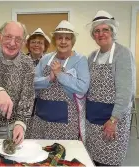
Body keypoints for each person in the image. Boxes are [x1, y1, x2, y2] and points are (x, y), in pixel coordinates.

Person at [85, 10, 136, 166]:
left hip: (113, 120)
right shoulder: (92, 56)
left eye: (105, 29)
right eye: (97, 31)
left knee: (109, 161)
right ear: (93, 35)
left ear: (112, 32)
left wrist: (113, 120)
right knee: (91, 159)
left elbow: (126, 92)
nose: (101, 34)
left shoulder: (123, 54)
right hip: (92, 121)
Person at [28, 20, 90, 140]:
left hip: (66, 121)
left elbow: (83, 87)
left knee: (63, 154)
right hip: (41, 118)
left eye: (67, 38)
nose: (63, 41)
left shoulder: (80, 60)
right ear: (54, 40)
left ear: (72, 41)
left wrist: (60, 75)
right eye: (59, 38)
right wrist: (49, 78)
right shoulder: (46, 58)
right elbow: (31, 81)